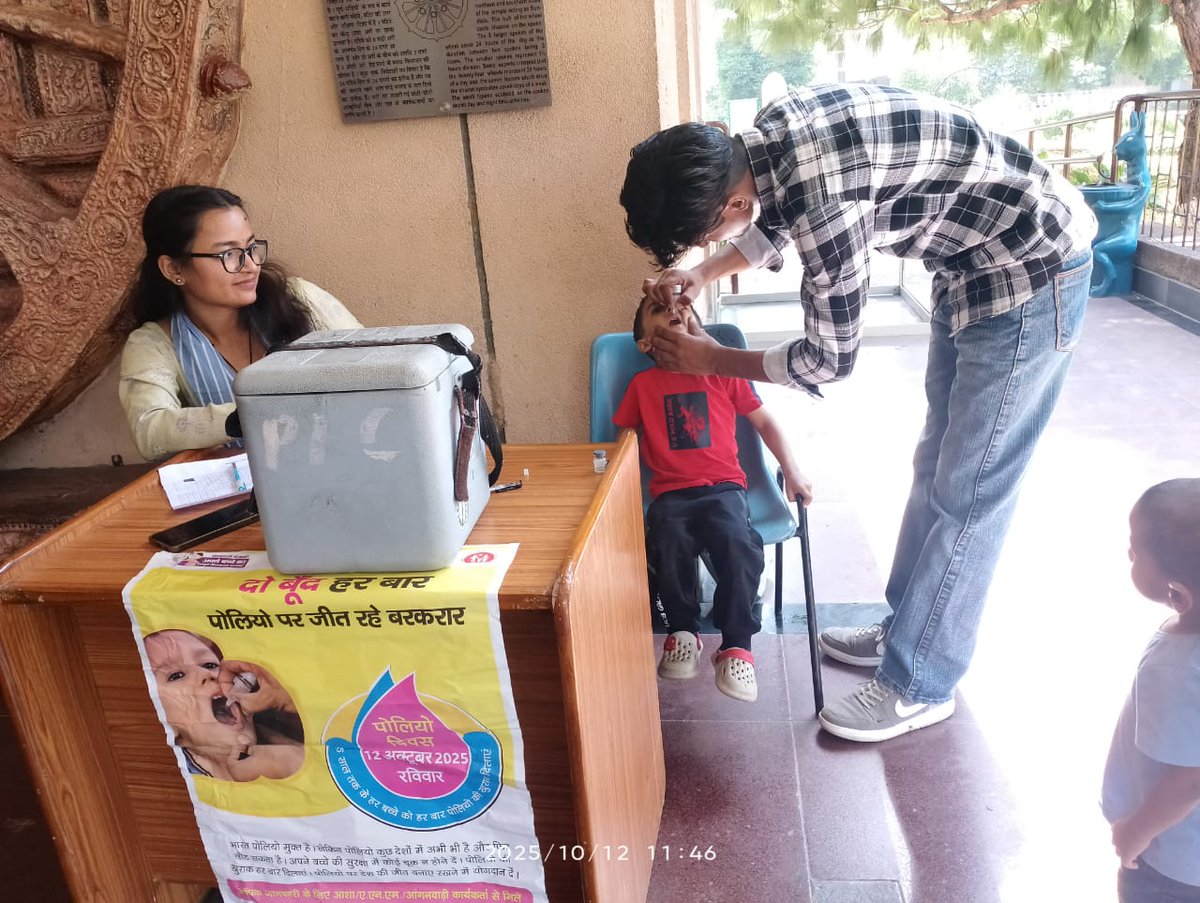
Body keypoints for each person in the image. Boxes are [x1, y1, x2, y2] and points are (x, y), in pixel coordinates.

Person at [620, 83, 1097, 741]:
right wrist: (703, 274)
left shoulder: (827, 204)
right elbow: (774, 216)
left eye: (703, 237)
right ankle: (907, 627)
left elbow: (828, 360)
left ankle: (920, 682)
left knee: (972, 496)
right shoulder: (770, 137)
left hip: (1030, 271)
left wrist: (712, 362)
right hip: (970, 271)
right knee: (937, 466)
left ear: (730, 201)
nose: (705, 250)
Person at [614, 294, 812, 703]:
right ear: (645, 344)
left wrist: (791, 470)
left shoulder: (722, 372)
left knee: (738, 546)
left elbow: (765, 421)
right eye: (659, 311)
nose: (674, 311)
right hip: (670, 494)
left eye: (682, 309)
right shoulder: (642, 385)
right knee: (665, 544)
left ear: (698, 330)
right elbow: (623, 441)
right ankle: (682, 631)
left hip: (725, 488)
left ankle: (737, 644)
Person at [119, 185, 362, 461]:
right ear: (174, 269)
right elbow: (150, 431)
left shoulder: (302, 299)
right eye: (228, 255)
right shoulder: (155, 343)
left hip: (350, 465)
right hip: (254, 497)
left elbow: (376, 367)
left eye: (250, 248)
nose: (250, 266)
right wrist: (244, 414)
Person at [1102, 479, 1200, 903]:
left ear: (1177, 593)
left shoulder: (1176, 668)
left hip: (1170, 863)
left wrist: (1134, 833)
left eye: (1136, 551)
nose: (1129, 554)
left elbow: (1190, 779)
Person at [143, 629, 304, 781]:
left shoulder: (285, 742)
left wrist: (292, 762)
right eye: (176, 676)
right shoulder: (175, 778)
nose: (206, 674)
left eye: (209, 664)